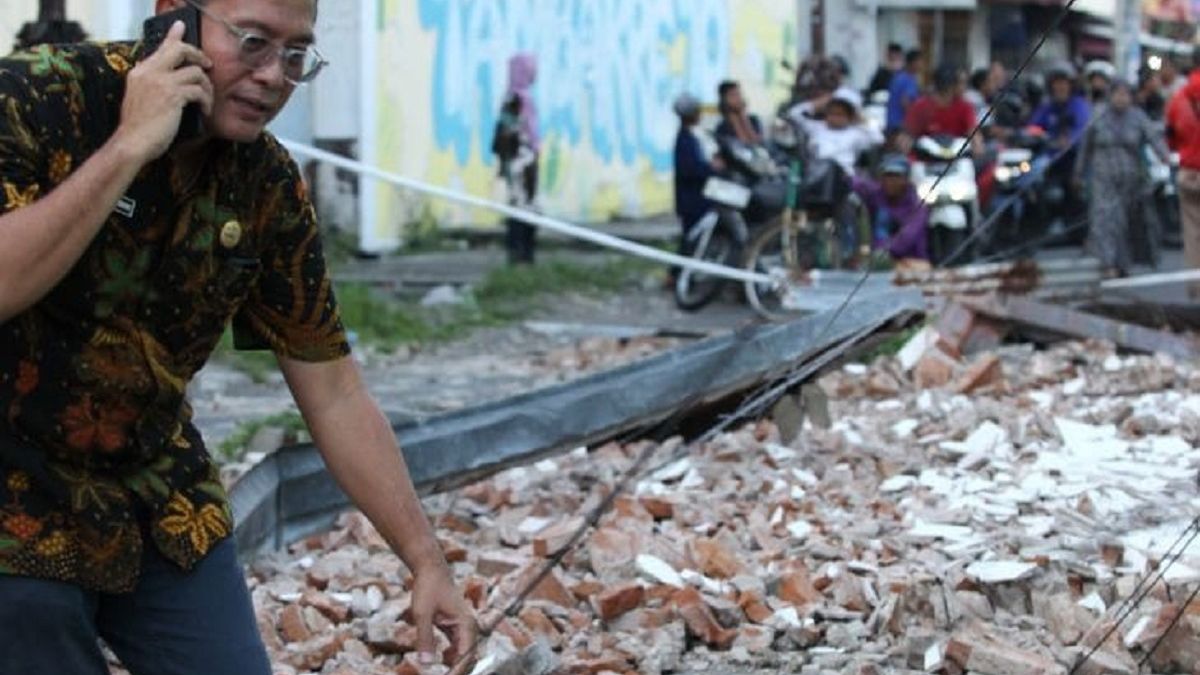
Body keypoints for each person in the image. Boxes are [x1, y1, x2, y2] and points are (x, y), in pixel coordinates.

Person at [0, 1, 477, 673]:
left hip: (152, 486)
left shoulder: (266, 185)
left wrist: (427, 561)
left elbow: (334, 390)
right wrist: (130, 146)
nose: (273, 76)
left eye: (295, 55)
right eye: (253, 42)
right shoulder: (41, 95)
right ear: (176, 17)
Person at [1075, 80, 1171, 275]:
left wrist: (1166, 158)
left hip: (1130, 179)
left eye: (1125, 94)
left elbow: (1154, 139)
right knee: (1103, 219)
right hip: (1103, 177)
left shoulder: (1138, 117)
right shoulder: (1098, 114)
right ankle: (1106, 262)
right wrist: (1078, 172)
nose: (1121, 99)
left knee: (1124, 222)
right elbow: (1085, 146)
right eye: (1117, 94)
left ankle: (1122, 263)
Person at [499, 52, 541, 265]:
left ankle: (524, 254)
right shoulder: (515, 99)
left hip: (526, 160)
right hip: (520, 163)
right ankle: (520, 254)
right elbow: (509, 133)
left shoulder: (523, 98)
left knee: (527, 206)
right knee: (521, 207)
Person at [787, 87, 884, 175]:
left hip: (842, 179)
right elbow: (794, 114)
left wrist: (862, 119)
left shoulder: (856, 134)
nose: (834, 118)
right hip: (816, 175)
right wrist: (818, 104)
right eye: (831, 113)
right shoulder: (817, 127)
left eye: (840, 115)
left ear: (851, 117)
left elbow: (878, 139)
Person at [1166, 53, 1200, 297]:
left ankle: (1196, 287)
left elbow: (1170, 140)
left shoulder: (1178, 98)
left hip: (1189, 173)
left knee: (1193, 233)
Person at [852, 154, 930, 261]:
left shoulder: (917, 206)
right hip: (878, 260)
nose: (890, 181)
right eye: (887, 176)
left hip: (911, 260)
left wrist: (880, 251)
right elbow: (856, 184)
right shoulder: (877, 193)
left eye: (896, 176)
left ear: (906, 179)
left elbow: (905, 239)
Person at [673, 94, 720, 260]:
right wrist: (712, 168)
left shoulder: (694, 136)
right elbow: (692, 169)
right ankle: (677, 273)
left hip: (697, 198)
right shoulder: (685, 140)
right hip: (692, 200)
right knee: (691, 238)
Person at [904, 64, 979, 141]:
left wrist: (976, 142)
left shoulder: (965, 107)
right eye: (961, 82)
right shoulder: (921, 106)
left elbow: (972, 131)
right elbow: (909, 134)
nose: (964, 87)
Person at [886, 49, 924, 133]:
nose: (921, 65)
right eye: (920, 61)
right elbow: (905, 103)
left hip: (892, 124)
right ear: (913, 62)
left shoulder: (899, 76)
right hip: (900, 126)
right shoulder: (908, 79)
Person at [716, 80, 763, 144]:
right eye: (733, 95)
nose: (738, 98)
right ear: (724, 100)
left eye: (739, 94)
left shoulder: (754, 120)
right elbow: (742, 147)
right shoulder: (722, 128)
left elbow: (757, 144)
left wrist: (744, 118)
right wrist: (734, 119)